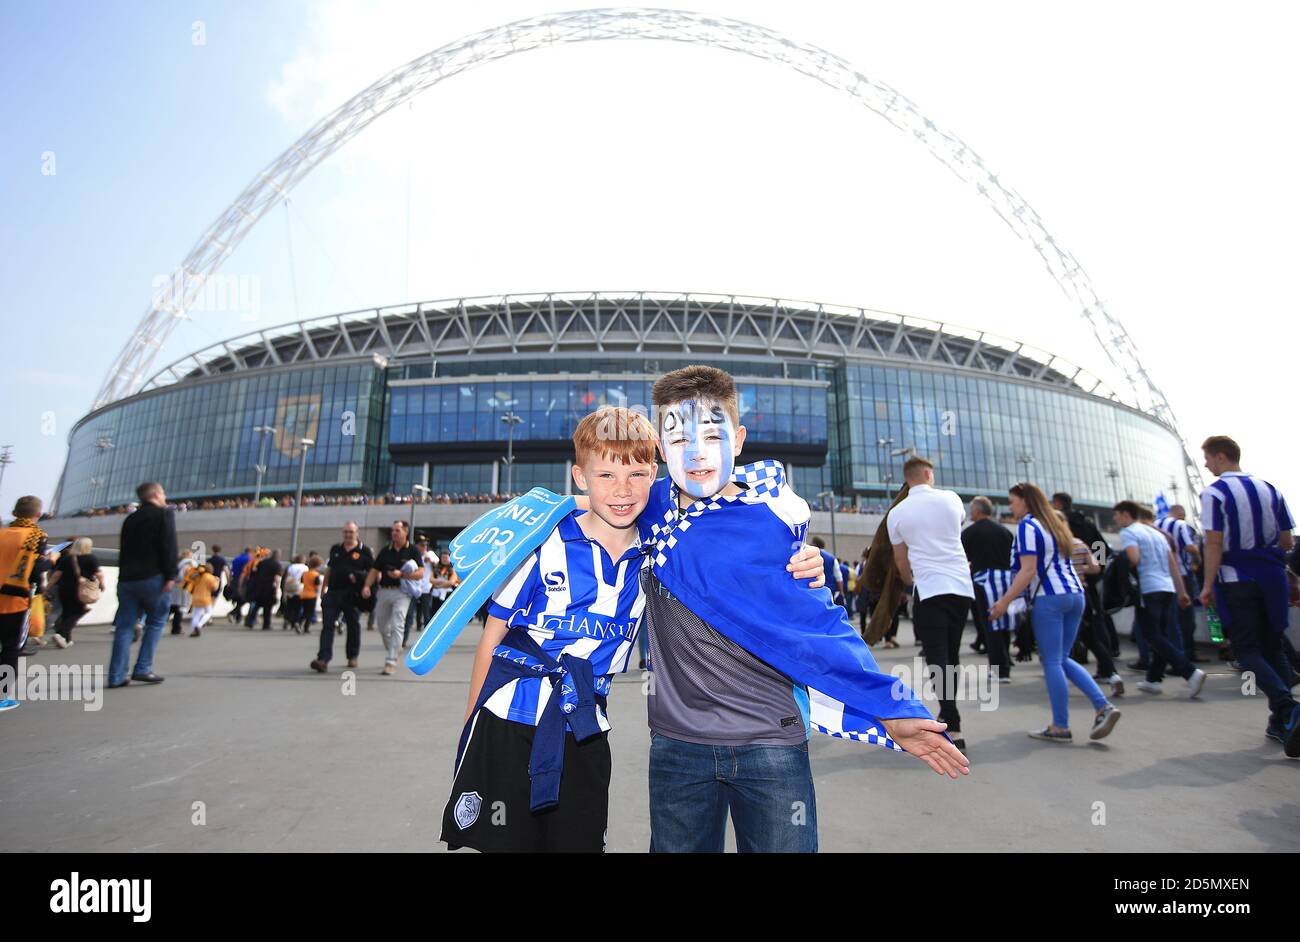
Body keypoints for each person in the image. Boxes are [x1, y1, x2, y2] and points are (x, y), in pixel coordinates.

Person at [443, 405, 826, 852]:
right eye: (605, 476)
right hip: (506, 720)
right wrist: (471, 722)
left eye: (637, 475)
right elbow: (494, 634)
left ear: (656, 472)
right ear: (580, 477)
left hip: (585, 726)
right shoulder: (542, 541)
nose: (622, 490)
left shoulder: (657, 549)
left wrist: (802, 561)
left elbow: (731, 525)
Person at [638, 366, 967, 854]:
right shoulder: (643, 509)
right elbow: (581, 509)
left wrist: (889, 708)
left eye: (713, 433)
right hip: (677, 746)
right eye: (679, 437)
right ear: (661, 449)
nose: (696, 452)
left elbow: (819, 630)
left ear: (740, 438)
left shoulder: (774, 524)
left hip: (771, 743)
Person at [990, 482, 1120, 743]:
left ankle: (1061, 725)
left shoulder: (1029, 525)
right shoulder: (1057, 525)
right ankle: (1102, 706)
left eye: (1013, 502)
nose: (1011, 507)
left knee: (1051, 661)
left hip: (1049, 598)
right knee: (1061, 658)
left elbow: (1028, 570)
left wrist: (1004, 601)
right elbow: (1097, 554)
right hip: (1076, 594)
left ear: (1026, 502)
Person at [1196, 435, 1300, 757]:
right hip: (1272, 576)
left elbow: (1214, 542)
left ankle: (1288, 708)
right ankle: (1280, 722)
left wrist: (1208, 583)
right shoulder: (1271, 488)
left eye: (1209, 458)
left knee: (1246, 648)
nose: (1206, 464)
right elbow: (1286, 540)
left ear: (1222, 457)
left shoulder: (1214, 493)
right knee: (1273, 644)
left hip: (1237, 576)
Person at [886, 456, 975, 749]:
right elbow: (953, 531)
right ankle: (951, 714)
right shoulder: (952, 499)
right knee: (952, 653)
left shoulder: (896, 513)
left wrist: (911, 581)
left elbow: (900, 561)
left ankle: (953, 720)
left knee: (938, 657)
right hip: (961, 587)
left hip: (929, 587)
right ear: (927, 474)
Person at [1111, 501, 1205, 698]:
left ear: (1126, 514)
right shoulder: (1157, 534)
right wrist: (1182, 592)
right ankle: (1153, 680)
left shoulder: (1129, 532)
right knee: (1160, 634)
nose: (1115, 519)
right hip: (1167, 588)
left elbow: (1134, 559)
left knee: (1151, 635)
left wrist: (1118, 566)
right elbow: (1173, 564)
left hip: (1148, 588)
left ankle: (1189, 671)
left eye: (1117, 515)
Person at [108, 482, 178, 688]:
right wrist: (171, 575)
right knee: (155, 623)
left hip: (128, 580)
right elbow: (168, 546)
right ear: (156, 494)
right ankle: (143, 668)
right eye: (163, 492)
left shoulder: (130, 518)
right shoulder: (164, 514)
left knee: (124, 628)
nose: (164, 496)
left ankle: (116, 675)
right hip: (153, 578)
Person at [0, 496, 47, 712]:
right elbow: (35, 572)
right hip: (15, 601)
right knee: (11, 648)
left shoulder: (2, 533)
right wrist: (48, 562)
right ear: (37, 514)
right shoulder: (36, 536)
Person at [962, 495, 1015, 683]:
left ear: (977, 511)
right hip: (1007, 581)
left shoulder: (970, 532)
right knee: (1003, 623)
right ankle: (1006, 661)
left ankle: (999, 669)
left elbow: (961, 559)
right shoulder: (1005, 531)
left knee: (989, 624)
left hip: (984, 581)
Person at [310, 523, 373, 673]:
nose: (348, 535)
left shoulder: (365, 551)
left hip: (353, 594)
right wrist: (323, 589)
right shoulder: (336, 549)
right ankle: (323, 659)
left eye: (351, 532)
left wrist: (366, 586)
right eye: (345, 532)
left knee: (353, 625)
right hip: (333, 592)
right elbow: (329, 569)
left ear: (357, 533)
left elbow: (373, 571)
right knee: (328, 625)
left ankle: (352, 656)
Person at [362, 520, 422, 676]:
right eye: (393, 530)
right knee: (382, 626)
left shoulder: (413, 551)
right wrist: (367, 586)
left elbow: (421, 573)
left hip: (402, 592)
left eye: (397, 530)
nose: (394, 533)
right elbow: (374, 571)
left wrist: (402, 574)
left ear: (405, 532)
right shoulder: (385, 551)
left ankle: (391, 660)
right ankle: (394, 647)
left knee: (398, 623)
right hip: (384, 591)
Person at [1156, 504, 1204, 662]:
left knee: (1168, 618)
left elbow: (1100, 548)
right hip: (1182, 574)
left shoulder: (1156, 525)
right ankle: (1188, 653)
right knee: (1186, 616)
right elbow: (1190, 547)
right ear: (1181, 514)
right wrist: (1197, 561)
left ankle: (1171, 655)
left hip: (1160, 577)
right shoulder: (1180, 525)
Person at [47, 537, 105, 649]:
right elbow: (99, 574)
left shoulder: (67, 558)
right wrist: (102, 584)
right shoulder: (90, 558)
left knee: (66, 612)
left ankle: (66, 639)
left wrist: (47, 588)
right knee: (79, 611)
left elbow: (56, 575)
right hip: (80, 589)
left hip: (63, 589)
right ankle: (61, 633)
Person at [247, 549, 283, 631]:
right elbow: (277, 578)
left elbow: (255, 571)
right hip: (270, 587)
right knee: (268, 607)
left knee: (258, 604)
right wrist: (277, 589)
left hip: (260, 586)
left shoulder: (263, 562)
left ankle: (250, 621)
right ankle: (266, 624)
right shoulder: (277, 565)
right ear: (278, 556)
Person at [184, 564, 220, 636]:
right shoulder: (210, 577)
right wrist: (217, 581)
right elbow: (214, 588)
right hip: (205, 598)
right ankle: (199, 625)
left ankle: (194, 630)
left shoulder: (198, 576)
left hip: (195, 597)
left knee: (196, 615)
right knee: (209, 612)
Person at [169, 548, 194, 635]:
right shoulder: (188, 565)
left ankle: (175, 627)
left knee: (173, 607)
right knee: (180, 609)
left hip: (175, 588)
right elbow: (182, 577)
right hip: (183, 589)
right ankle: (176, 628)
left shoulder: (178, 564)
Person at [226, 546, 252, 623]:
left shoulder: (236, 559)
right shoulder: (249, 560)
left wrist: (229, 581)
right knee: (245, 598)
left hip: (234, 579)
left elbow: (231, 570)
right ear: (250, 552)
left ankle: (238, 618)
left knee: (238, 599)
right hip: (243, 580)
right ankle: (232, 613)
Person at [282, 553, 308, 631]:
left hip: (290, 587)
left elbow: (287, 576)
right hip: (299, 588)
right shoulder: (305, 567)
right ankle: (295, 622)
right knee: (298, 607)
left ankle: (287, 619)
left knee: (290, 605)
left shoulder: (291, 567)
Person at [299, 554, 323, 634]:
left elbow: (302, 581)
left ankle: (298, 622)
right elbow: (317, 587)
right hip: (311, 595)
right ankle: (306, 628)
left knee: (305, 611)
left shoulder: (305, 573)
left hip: (303, 594)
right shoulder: (316, 575)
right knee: (309, 612)